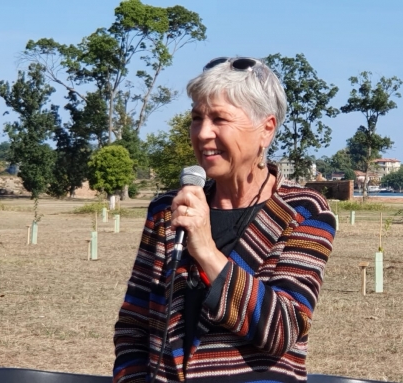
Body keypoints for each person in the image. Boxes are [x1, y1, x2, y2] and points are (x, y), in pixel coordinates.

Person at [113, 57, 336, 383]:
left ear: (266, 129)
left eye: (219, 119)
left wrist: (205, 248)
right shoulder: (167, 210)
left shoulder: (303, 212)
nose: (203, 133)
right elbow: (134, 325)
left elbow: (282, 328)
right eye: (197, 118)